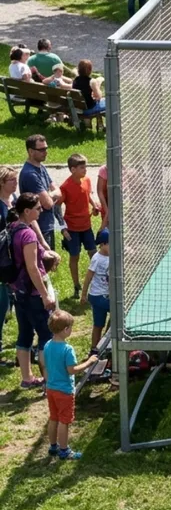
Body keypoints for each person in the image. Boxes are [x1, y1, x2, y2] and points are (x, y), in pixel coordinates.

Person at [11, 193, 55, 387]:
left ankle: (27, 378)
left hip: (17, 290)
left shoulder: (12, 228)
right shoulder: (28, 234)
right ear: (27, 211)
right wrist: (45, 295)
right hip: (32, 293)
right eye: (37, 208)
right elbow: (32, 267)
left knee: (25, 334)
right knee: (45, 335)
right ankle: (48, 380)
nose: (41, 210)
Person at [43, 310, 98, 460]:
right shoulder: (68, 349)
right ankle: (64, 450)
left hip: (51, 388)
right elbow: (72, 370)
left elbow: (45, 364)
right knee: (64, 421)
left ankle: (53, 446)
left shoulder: (47, 345)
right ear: (66, 329)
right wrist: (88, 362)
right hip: (64, 391)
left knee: (53, 418)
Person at [58, 152, 100, 296]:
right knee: (74, 256)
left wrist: (94, 205)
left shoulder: (86, 180)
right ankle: (76, 286)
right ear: (73, 169)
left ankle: (96, 283)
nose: (85, 170)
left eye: (86, 167)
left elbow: (88, 194)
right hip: (72, 229)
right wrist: (62, 229)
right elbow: (56, 208)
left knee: (94, 254)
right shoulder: (65, 187)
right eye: (82, 167)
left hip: (86, 226)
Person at [19, 134, 60, 250]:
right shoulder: (30, 174)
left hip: (47, 225)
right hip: (39, 228)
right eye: (41, 150)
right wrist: (50, 196)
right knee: (43, 265)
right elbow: (48, 203)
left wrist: (48, 195)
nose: (45, 152)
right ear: (31, 151)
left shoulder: (41, 167)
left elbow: (58, 191)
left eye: (46, 148)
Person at [80, 227, 111, 353]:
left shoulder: (112, 255)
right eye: (110, 244)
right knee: (99, 324)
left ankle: (105, 341)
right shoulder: (97, 259)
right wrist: (83, 294)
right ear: (103, 244)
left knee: (109, 319)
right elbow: (88, 277)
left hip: (107, 295)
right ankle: (95, 348)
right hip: (98, 296)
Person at [0, 165, 18, 367]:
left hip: (13, 261)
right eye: (12, 180)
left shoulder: (13, 200)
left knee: (7, 303)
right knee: (1, 305)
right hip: (2, 262)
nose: (16, 183)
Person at [72, 59, 106, 125]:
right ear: (90, 70)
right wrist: (98, 84)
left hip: (78, 108)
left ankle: (98, 125)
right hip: (88, 109)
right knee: (110, 103)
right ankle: (107, 126)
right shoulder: (92, 81)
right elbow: (99, 97)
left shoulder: (75, 80)